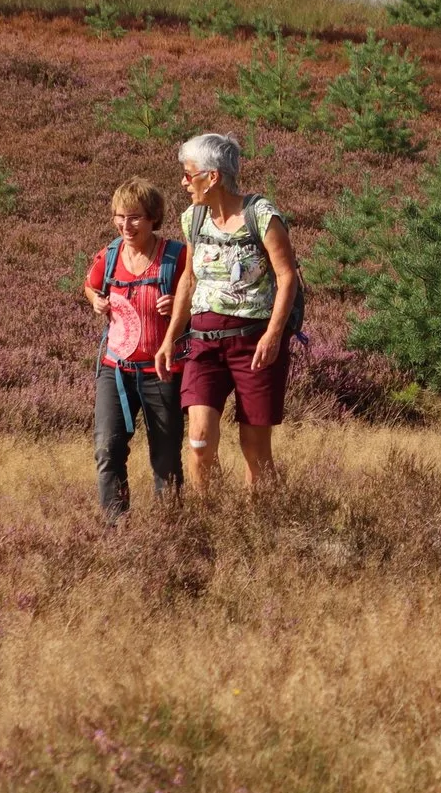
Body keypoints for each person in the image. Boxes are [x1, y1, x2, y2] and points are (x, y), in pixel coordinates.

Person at [158, 133, 300, 494]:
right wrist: (171, 337)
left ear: (213, 176)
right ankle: (211, 518)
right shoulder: (193, 219)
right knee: (199, 440)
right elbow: (189, 280)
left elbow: (287, 278)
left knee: (255, 451)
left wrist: (273, 334)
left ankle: (261, 524)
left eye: (188, 174)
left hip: (255, 346)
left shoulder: (262, 216)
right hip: (203, 344)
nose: (183, 182)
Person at [81, 177, 185, 520]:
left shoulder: (176, 256)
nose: (126, 225)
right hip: (115, 369)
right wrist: (96, 300)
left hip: (163, 370)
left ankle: (169, 529)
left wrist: (179, 305)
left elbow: (198, 298)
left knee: (166, 458)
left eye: (135, 217)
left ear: (154, 217)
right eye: (119, 216)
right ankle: (116, 530)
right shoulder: (109, 255)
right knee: (107, 450)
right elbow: (90, 286)